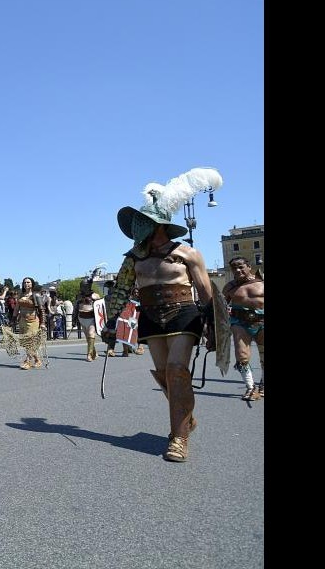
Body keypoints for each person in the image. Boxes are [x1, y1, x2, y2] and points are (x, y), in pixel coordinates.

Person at [102, 171, 216, 463]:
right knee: (165, 374)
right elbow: (121, 292)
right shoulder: (133, 258)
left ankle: (178, 438)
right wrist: (111, 323)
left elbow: (205, 292)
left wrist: (213, 324)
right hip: (150, 318)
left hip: (184, 314)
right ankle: (185, 416)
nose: (137, 228)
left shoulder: (188, 253)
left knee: (177, 369)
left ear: (157, 225)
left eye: (143, 222)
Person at [222, 257, 264, 401]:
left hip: (262, 322)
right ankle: (251, 388)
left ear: (249, 266)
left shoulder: (262, 282)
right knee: (242, 355)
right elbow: (220, 309)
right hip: (240, 323)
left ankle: (263, 385)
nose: (237, 270)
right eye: (234, 267)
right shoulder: (229, 287)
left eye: (241, 266)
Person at [2, 277, 46, 370]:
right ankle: (37, 360)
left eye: (28, 282)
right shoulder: (21, 295)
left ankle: (27, 361)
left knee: (30, 341)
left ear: (32, 284)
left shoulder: (36, 295)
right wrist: (13, 320)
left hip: (33, 321)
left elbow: (42, 310)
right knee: (25, 342)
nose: (26, 284)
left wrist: (43, 323)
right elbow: (16, 308)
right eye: (25, 282)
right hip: (22, 320)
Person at [76, 288, 100, 361]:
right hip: (82, 318)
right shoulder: (79, 296)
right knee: (88, 338)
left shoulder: (95, 296)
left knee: (91, 334)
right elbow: (76, 307)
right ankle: (94, 353)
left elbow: (100, 307)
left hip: (91, 318)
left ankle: (89, 355)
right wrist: (74, 319)